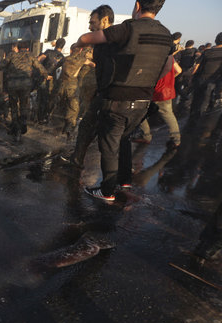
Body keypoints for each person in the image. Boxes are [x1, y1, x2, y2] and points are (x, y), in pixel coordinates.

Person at [73, 0, 173, 202]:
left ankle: (107, 190)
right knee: (124, 140)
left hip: (118, 99)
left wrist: (79, 44)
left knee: (108, 145)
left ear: (137, 5)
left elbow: (86, 37)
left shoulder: (128, 28)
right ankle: (124, 181)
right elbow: (169, 65)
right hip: (143, 102)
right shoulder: (166, 34)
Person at [60, 4, 114, 169]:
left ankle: (112, 180)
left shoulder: (114, 41)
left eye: (93, 23)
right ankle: (77, 160)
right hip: (98, 94)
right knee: (88, 126)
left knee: (107, 134)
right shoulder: (100, 45)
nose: (90, 27)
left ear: (104, 21)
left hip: (108, 94)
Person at [0, 41, 49, 141]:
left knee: (14, 107)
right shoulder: (31, 56)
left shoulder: (11, 55)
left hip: (13, 85)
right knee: (24, 105)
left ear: (18, 49)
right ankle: (23, 122)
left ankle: (16, 130)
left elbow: (1, 65)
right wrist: (46, 75)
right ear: (27, 49)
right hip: (25, 85)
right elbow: (39, 67)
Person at [134, 56, 182, 148]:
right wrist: (169, 80)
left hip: (153, 90)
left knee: (140, 112)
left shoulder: (152, 55)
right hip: (167, 90)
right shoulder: (170, 56)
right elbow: (179, 70)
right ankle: (176, 139)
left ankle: (146, 136)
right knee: (168, 115)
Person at [49, 46, 94, 137]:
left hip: (61, 85)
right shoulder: (82, 59)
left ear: (71, 50)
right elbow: (93, 65)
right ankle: (69, 128)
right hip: (72, 86)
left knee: (60, 105)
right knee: (73, 108)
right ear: (80, 50)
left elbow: (55, 65)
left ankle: (56, 129)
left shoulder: (65, 59)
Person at [190, 33, 222, 118]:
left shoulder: (207, 52)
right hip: (216, 83)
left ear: (216, 40)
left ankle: (191, 124)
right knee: (209, 106)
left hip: (201, 80)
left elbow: (197, 66)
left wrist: (192, 77)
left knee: (196, 103)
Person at [37, 38, 66, 124]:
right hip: (52, 80)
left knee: (41, 98)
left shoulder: (48, 52)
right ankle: (46, 116)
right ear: (63, 46)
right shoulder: (63, 58)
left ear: (55, 44)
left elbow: (38, 60)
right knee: (49, 98)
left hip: (43, 77)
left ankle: (40, 118)